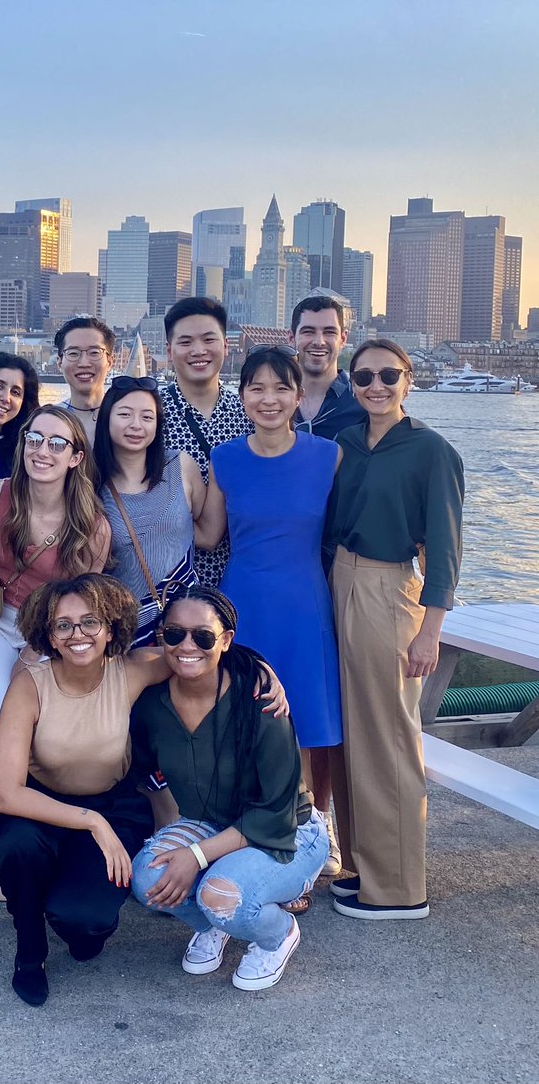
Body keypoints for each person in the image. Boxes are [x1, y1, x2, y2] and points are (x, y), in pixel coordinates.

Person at [0, 576, 291, 1006]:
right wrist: (92, 823)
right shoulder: (29, 685)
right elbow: (6, 793)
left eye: (90, 622)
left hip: (113, 807)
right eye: (64, 625)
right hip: (38, 808)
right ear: (49, 634)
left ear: (110, 629)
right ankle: (29, 952)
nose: (78, 635)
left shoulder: (131, 670)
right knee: (18, 849)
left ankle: (73, 910)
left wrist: (262, 669)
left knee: (85, 924)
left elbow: (196, 652)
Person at [326, 340, 464, 921]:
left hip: (389, 590)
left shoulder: (432, 451)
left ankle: (402, 887)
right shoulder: (344, 443)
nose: (375, 386)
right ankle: (362, 865)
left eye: (388, 375)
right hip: (337, 581)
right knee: (352, 738)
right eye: (363, 377)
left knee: (389, 739)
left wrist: (430, 631)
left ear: (409, 379)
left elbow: (446, 551)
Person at [197, 345, 342, 897]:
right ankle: (254, 845)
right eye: (256, 387)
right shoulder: (226, 459)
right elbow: (208, 534)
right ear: (243, 396)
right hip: (245, 604)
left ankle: (302, 849)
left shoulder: (328, 455)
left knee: (301, 728)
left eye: (280, 388)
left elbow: (349, 527)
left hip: (304, 605)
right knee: (248, 726)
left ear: (298, 397)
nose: (269, 398)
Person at [130, 588, 328, 992]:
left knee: (221, 893)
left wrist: (196, 855)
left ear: (225, 639)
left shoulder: (260, 701)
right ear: (161, 638)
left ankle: (278, 934)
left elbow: (275, 809)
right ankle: (214, 927)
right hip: (210, 822)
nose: (187, 646)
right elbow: (139, 766)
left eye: (202, 636)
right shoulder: (152, 704)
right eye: (174, 634)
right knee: (148, 879)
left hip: (288, 831)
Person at [0, 405, 111, 894]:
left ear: (76, 456)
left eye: (58, 443)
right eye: (35, 439)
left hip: (49, 634)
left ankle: (35, 833)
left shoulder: (91, 524)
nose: (43, 451)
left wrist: (44, 648)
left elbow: (83, 599)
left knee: (38, 734)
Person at [93, 375, 206, 646]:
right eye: (124, 414)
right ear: (106, 419)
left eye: (147, 417)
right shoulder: (90, 484)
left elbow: (207, 534)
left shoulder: (180, 466)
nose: (136, 425)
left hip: (187, 624)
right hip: (124, 628)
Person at [158, 297, 252, 587]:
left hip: (243, 575)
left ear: (225, 345)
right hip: (172, 579)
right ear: (169, 352)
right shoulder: (151, 414)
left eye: (208, 339)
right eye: (185, 342)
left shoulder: (251, 410)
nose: (198, 351)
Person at [290, 295, 365, 439]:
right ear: (291, 338)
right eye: (308, 332)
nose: (319, 342)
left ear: (343, 339)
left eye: (329, 332)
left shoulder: (362, 403)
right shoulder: (271, 402)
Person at [54, 316, 116, 449]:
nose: (84, 363)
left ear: (110, 361)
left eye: (94, 352)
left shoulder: (127, 419)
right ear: (59, 362)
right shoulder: (50, 420)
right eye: (73, 353)